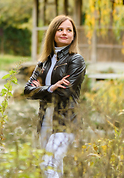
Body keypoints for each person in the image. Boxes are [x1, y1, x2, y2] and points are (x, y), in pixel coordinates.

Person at [24, 15, 86, 178]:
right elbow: (27, 91)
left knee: (48, 163)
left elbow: (65, 92)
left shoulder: (76, 60)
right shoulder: (43, 63)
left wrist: (42, 90)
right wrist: (51, 87)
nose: (65, 33)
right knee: (55, 168)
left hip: (66, 122)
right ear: (53, 33)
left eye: (69, 30)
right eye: (60, 29)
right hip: (45, 120)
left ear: (73, 35)